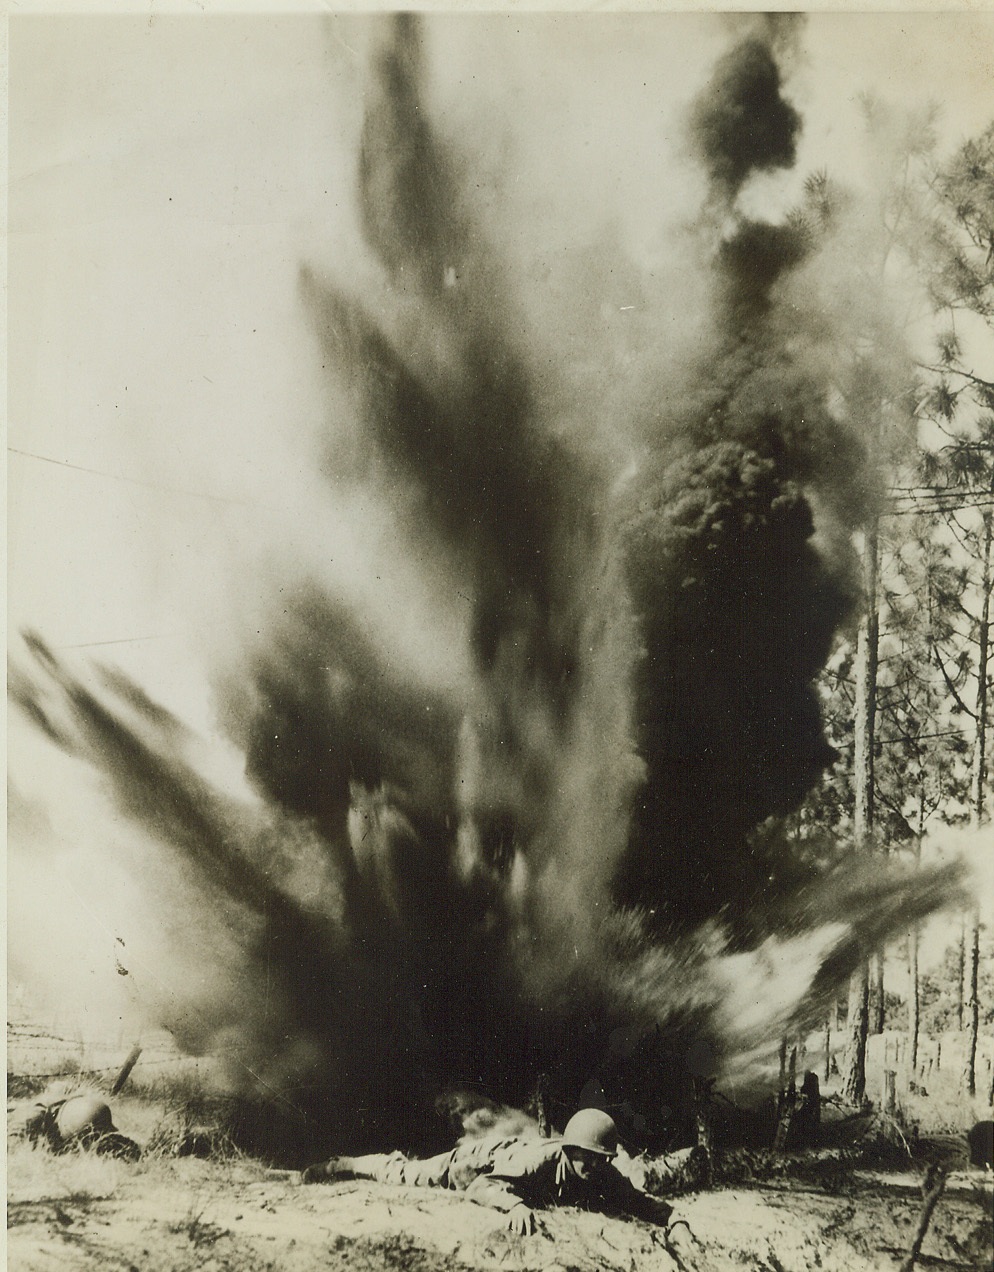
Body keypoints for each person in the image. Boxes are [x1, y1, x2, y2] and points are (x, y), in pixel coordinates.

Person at [301, 1107, 701, 1237]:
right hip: (478, 1162)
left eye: (602, 1159)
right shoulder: (539, 1162)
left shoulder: (600, 1173)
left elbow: (638, 1200)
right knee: (407, 1174)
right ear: (571, 1149)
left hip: (502, 1163)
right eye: (589, 1157)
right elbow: (481, 1184)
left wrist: (675, 1219)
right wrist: (512, 1205)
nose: (595, 1167)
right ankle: (345, 1164)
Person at [7, 1090, 141, 1161]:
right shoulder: (27, 1122)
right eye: (87, 1141)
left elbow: (128, 1149)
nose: (94, 1145)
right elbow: (13, 1157)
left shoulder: (86, 1118)